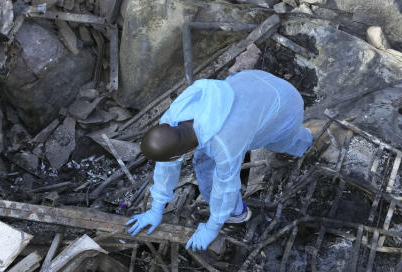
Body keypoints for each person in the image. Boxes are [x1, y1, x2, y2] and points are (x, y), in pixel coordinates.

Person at [126, 69, 313, 251]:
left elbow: (226, 186)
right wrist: (156, 208)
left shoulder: (225, 143)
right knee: (205, 162)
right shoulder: (175, 115)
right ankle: (230, 213)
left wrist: (212, 228)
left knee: (283, 143)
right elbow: (167, 165)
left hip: (284, 105)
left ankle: (239, 215)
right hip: (252, 81)